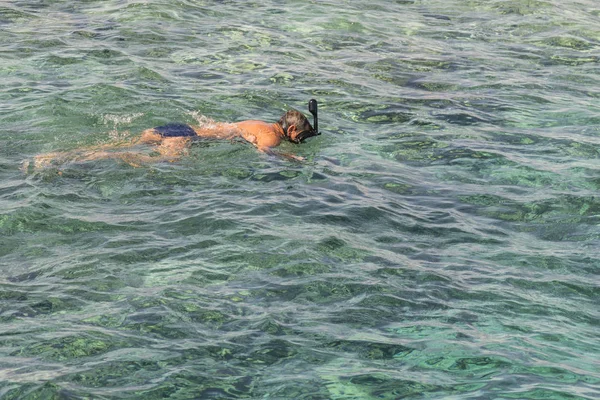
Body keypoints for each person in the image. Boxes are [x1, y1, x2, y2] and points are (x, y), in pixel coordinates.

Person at [32, 108, 318, 168]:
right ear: (291, 130)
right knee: (156, 162)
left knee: (117, 142)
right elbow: (264, 153)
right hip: (184, 137)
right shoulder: (272, 137)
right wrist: (291, 157)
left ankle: (55, 155)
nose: (302, 139)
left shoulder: (256, 121)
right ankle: (102, 159)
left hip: (177, 127)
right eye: (303, 136)